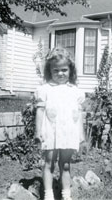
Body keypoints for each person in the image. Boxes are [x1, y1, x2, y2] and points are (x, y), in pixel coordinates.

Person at [35, 47, 85, 200]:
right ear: (50, 71)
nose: (60, 73)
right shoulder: (45, 90)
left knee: (66, 164)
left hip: (69, 131)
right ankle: (48, 195)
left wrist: (81, 134)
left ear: (70, 70)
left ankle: (66, 195)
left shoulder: (75, 91)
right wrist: (38, 131)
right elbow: (40, 111)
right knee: (49, 162)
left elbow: (79, 115)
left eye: (64, 70)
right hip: (50, 131)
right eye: (56, 70)